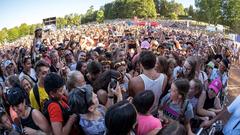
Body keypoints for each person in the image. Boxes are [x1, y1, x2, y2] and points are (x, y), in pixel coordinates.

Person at [129, 51, 167, 115]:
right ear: (155, 63)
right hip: (155, 112)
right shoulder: (164, 77)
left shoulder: (134, 81)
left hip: (140, 115)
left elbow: (132, 98)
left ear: (140, 64)